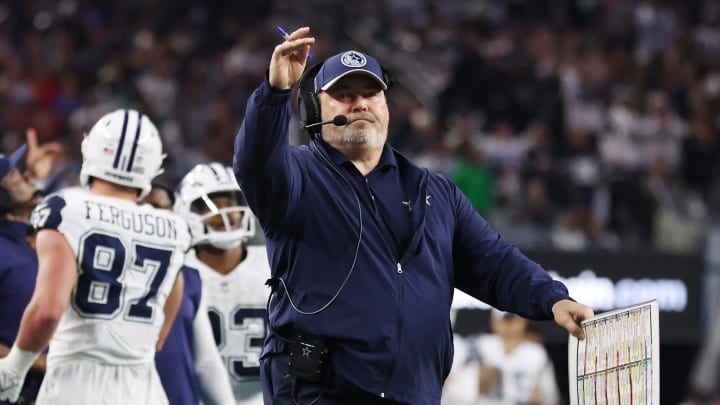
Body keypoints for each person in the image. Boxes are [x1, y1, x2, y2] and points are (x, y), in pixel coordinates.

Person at [232, 26, 594, 405]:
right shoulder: (296, 176)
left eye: (370, 93)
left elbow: (494, 262)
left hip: (414, 393)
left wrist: (553, 300)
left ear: (386, 106)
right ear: (315, 110)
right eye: (343, 95)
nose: (360, 104)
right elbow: (254, 162)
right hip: (320, 394)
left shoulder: (433, 191)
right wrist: (273, 95)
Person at [0, 109, 191, 405]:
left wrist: (15, 367)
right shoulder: (173, 227)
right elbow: (167, 314)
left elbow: (48, 310)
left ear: (93, 151)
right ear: (153, 165)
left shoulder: (65, 208)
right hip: (143, 385)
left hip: (74, 383)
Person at [174, 162, 270, 404]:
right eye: (212, 205)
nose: (224, 213)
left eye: (230, 203)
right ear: (186, 212)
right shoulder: (178, 270)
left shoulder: (271, 264)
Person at [147, 183, 235, 405]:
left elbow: (205, 362)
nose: (150, 216)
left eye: (160, 208)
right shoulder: (91, 267)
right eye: (143, 206)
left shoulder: (187, 275)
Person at [442, 309, 560, 405]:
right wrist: (472, 381)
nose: (509, 324)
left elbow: (551, 396)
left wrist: (539, 396)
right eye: (505, 319)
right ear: (494, 322)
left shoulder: (536, 353)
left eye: (513, 319)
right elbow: (448, 384)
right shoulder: (477, 346)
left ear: (524, 321)